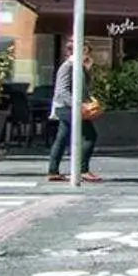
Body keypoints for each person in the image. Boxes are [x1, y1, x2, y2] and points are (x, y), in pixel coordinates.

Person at [45, 38, 98, 183]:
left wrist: (87, 69)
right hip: (66, 107)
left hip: (69, 107)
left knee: (62, 138)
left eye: (88, 51)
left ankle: (53, 171)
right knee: (90, 136)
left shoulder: (78, 66)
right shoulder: (67, 66)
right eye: (85, 51)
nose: (87, 54)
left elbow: (85, 87)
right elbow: (62, 91)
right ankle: (83, 170)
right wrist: (79, 105)